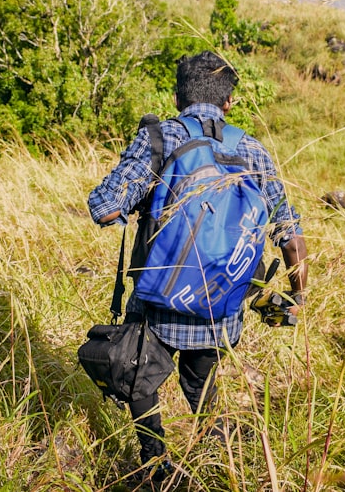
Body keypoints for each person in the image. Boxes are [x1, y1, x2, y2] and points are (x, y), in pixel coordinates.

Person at [87, 50, 308, 483]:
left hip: (157, 303)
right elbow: (289, 232)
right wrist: (297, 294)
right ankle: (218, 461)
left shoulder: (162, 137)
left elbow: (105, 209)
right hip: (220, 308)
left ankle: (156, 464)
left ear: (177, 97)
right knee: (203, 381)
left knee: (137, 377)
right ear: (229, 102)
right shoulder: (253, 150)